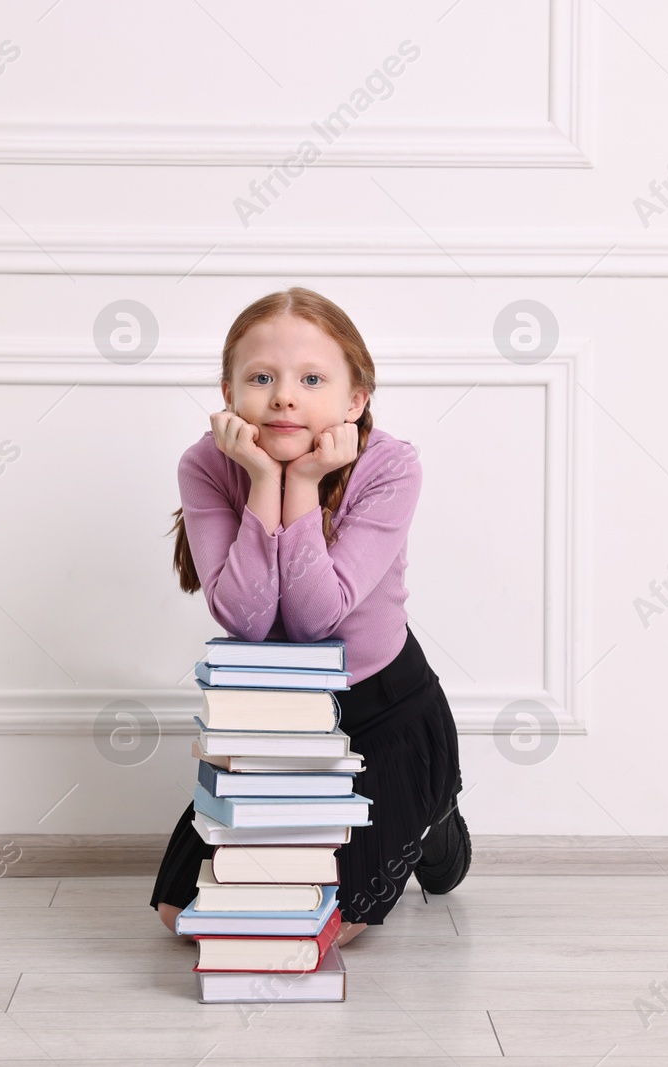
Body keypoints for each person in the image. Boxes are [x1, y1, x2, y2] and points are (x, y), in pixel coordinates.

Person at [150, 286, 469, 948]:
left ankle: (436, 811)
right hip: (275, 723)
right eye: (261, 377)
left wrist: (301, 483)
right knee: (182, 913)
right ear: (228, 390)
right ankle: (411, 816)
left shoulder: (390, 466)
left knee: (321, 921)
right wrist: (266, 481)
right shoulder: (208, 465)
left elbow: (316, 619)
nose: (283, 396)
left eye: (311, 378)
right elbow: (244, 616)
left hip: (383, 712)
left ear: (355, 399)